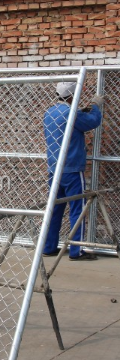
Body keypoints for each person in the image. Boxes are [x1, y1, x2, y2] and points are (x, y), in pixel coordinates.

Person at [42, 81, 103, 261]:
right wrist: (95, 106)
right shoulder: (71, 112)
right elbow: (92, 121)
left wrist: (80, 111)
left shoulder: (49, 113)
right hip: (72, 169)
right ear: (71, 96)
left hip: (54, 168)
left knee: (55, 208)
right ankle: (77, 251)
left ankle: (48, 247)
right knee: (77, 208)